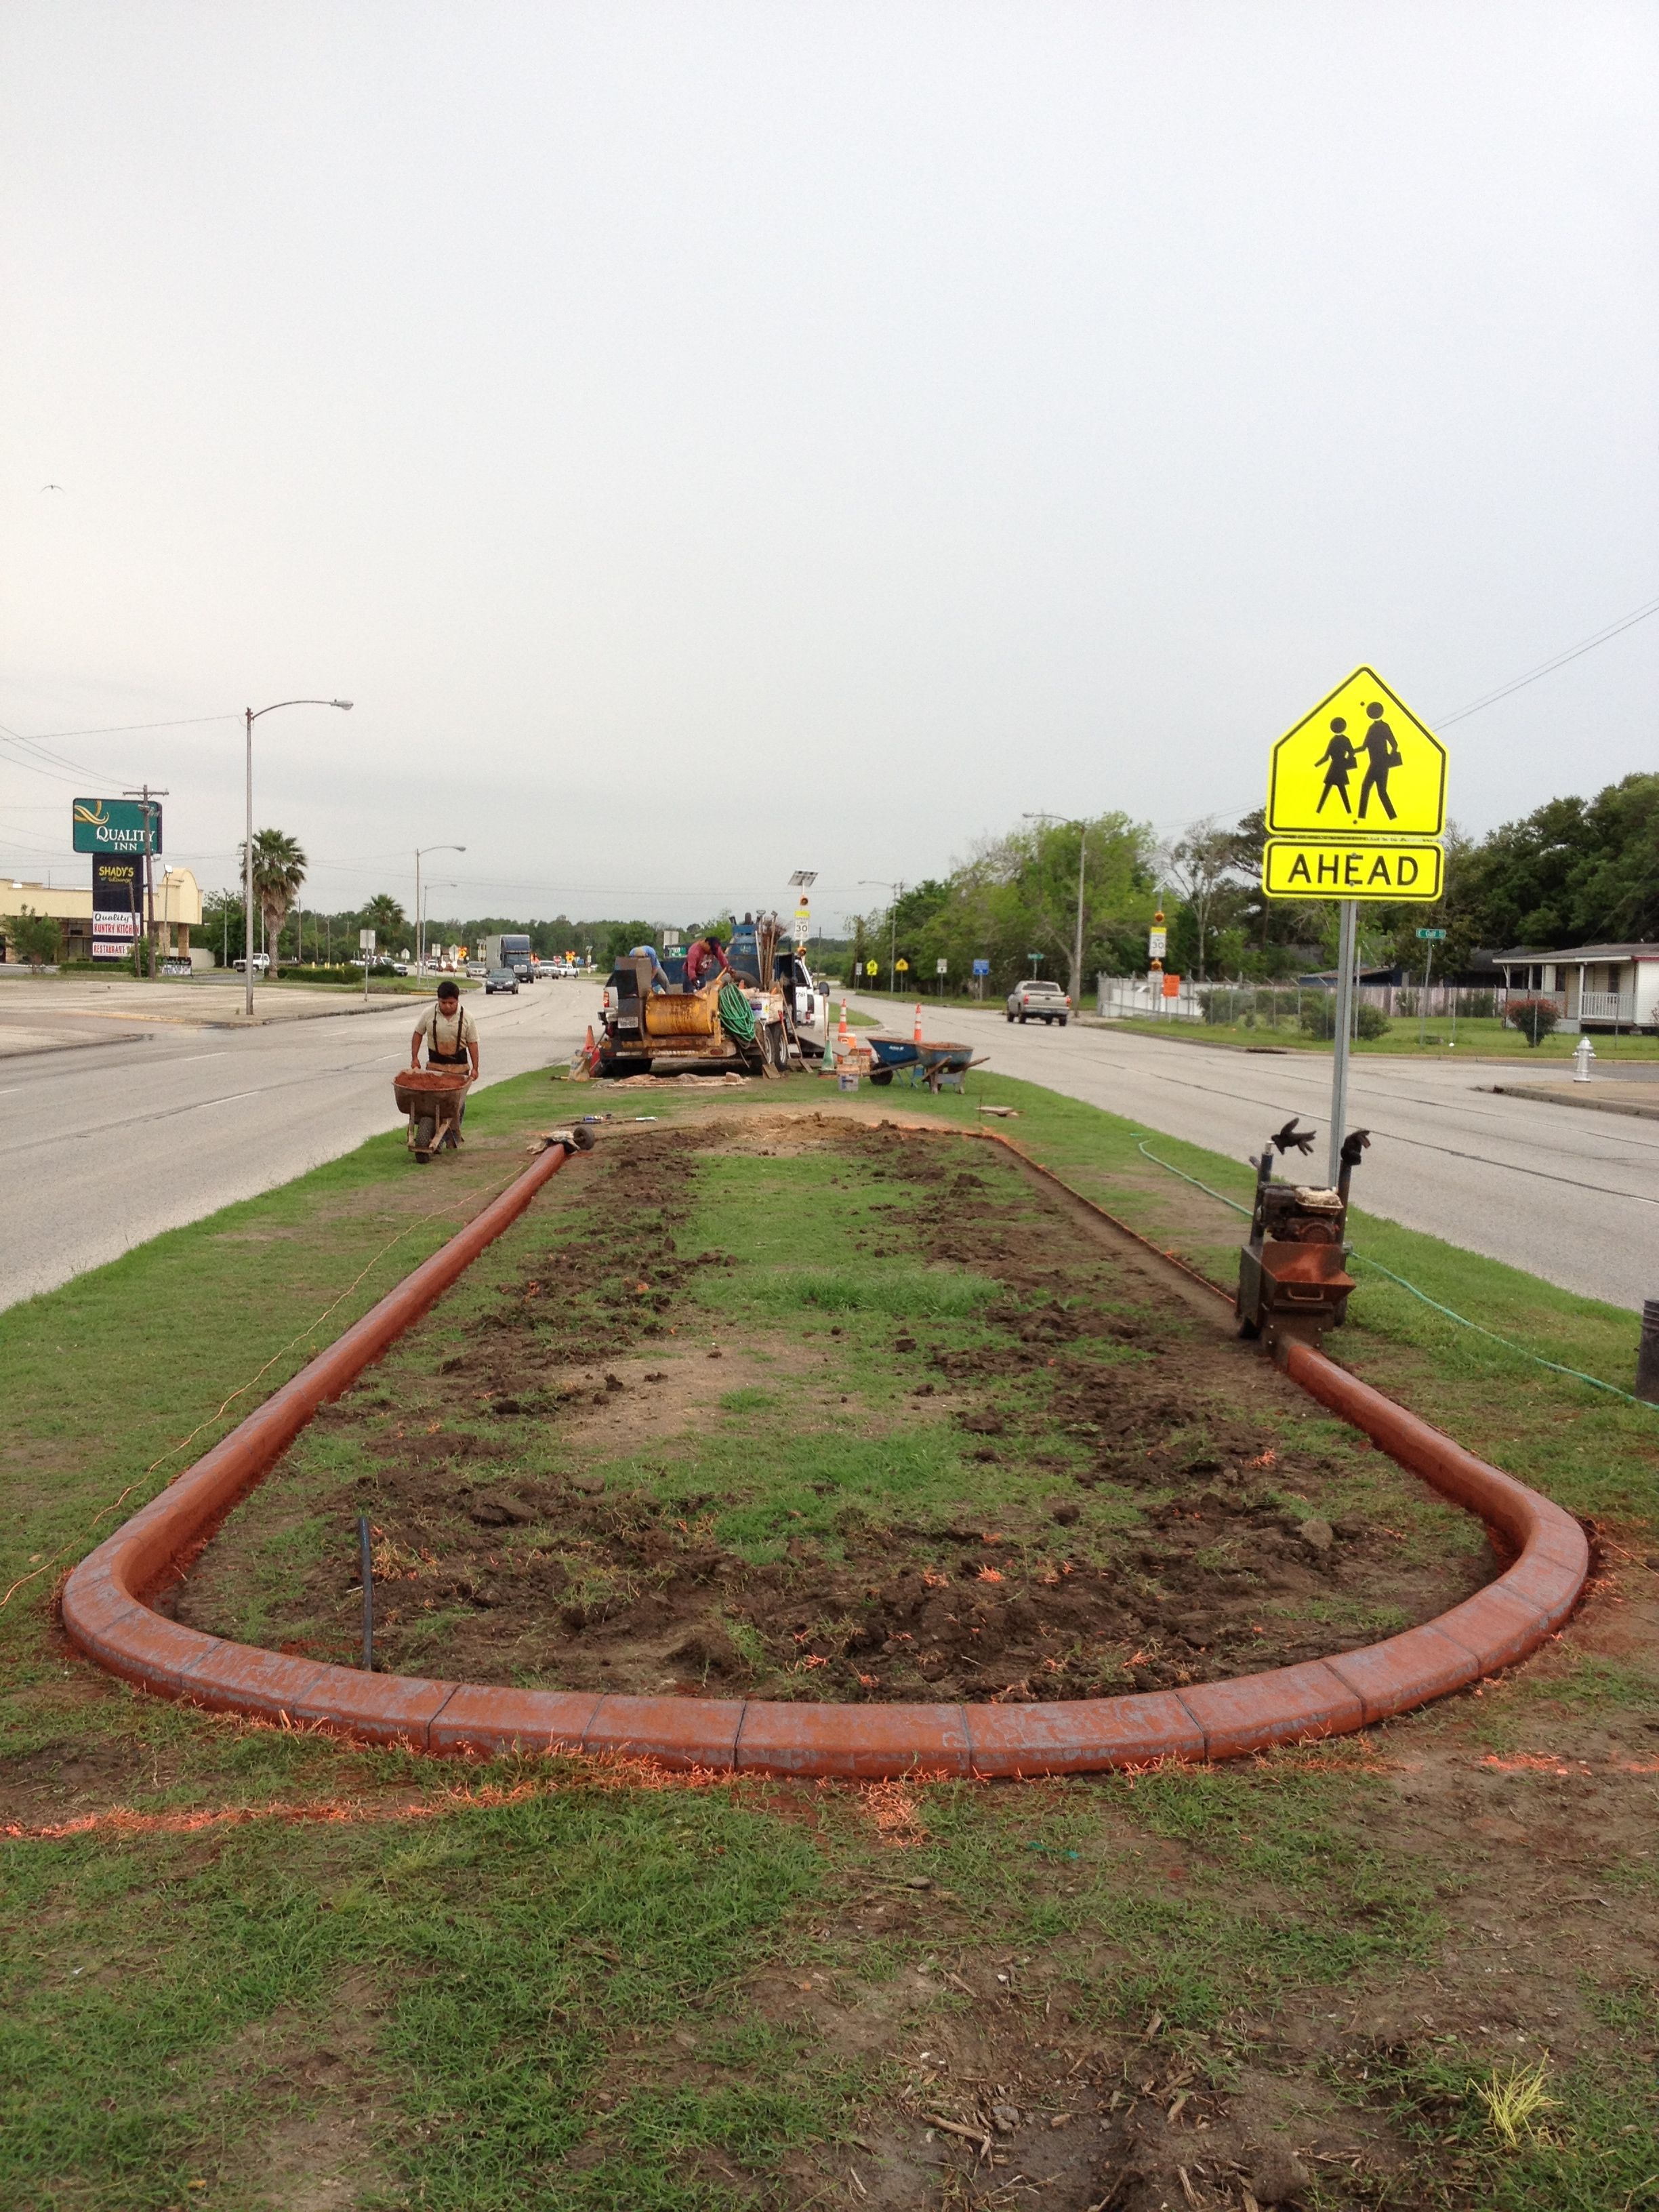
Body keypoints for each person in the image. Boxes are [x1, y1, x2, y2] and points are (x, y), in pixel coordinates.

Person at [409, 979, 479, 1153]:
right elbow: (418, 1034)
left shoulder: (467, 1018)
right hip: (435, 1066)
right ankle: (434, 1137)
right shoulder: (429, 1014)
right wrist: (415, 1058)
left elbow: (473, 1044)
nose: (447, 1006)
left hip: (459, 1068)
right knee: (432, 1103)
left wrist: (475, 1068)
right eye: (443, 1003)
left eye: (451, 1003)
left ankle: (452, 1136)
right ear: (438, 1001)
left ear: (457, 1000)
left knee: (456, 1105)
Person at [1356, 700, 1403, 821]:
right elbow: (1364, 747)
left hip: (1381, 764)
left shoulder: (1384, 726)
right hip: (1375, 764)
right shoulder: (1371, 728)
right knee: (1370, 789)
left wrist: (1389, 759)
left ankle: (1392, 817)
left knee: (1378, 791)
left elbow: (1394, 744)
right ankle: (1363, 817)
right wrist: (1352, 751)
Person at [1314, 717, 1357, 815]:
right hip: (1339, 767)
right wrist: (1315, 765)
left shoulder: (1334, 740)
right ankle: (1348, 812)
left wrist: (1316, 765)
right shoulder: (1345, 740)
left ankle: (1319, 811)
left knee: (1334, 790)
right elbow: (1352, 753)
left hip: (1335, 767)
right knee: (1338, 790)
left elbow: (1326, 757)